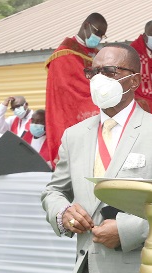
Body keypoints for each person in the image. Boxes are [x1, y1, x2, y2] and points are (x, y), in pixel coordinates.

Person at [41, 43, 152, 273]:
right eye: (93, 72)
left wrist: (126, 230)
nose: (98, 79)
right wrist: (63, 213)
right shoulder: (74, 135)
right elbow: (53, 191)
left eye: (108, 71)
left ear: (134, 80)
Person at [44, 13, 107, 164]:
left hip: (98, 95)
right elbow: (72, 89)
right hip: (73, 107)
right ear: (86, 26)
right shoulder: (63, 55)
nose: (98, 38)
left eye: (101, 35)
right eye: (97, 32)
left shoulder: (97, 54)